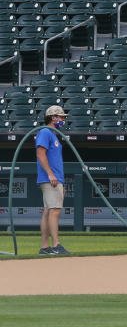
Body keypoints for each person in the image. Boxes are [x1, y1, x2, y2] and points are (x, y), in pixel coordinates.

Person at [36, 105, 70, 255]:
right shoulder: (45, 131)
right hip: (50, 178)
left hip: (54, 178)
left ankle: (45, 247)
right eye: (61, 117)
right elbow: (40, 154)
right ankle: (56, 245)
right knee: (54, 210)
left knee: (48, 211)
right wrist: (51, 174)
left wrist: (59, 180)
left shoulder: (53, 134)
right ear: (53, 117)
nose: (63, 120)